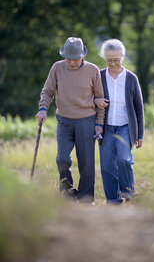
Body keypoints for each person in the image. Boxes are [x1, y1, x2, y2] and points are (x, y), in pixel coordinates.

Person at [36, 37, 104, 204]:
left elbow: (100, 98)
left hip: (86, 121)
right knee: (62, 159)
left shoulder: (93, 70)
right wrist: (43, 108)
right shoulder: (57, 68)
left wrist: (99, 123)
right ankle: (68, 196)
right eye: (68, 58)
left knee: (87, 165)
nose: (71, 63)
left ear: (82, 56)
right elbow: (47, 91)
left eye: (75, 59)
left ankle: (86, 200)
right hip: (64, 121)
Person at [95, 39, 144, 204]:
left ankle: (128, 192)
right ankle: (113, 199)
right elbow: (91, 97)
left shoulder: (131, 78)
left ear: (123, 56)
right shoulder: (99, 75)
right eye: (109, 60)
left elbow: (139, 108)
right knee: (107, 166)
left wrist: (140, 134)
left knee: (124, 159)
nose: (112, 63)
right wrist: (96, 101)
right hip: (106, 127)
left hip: (125, 127)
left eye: (116, 59)